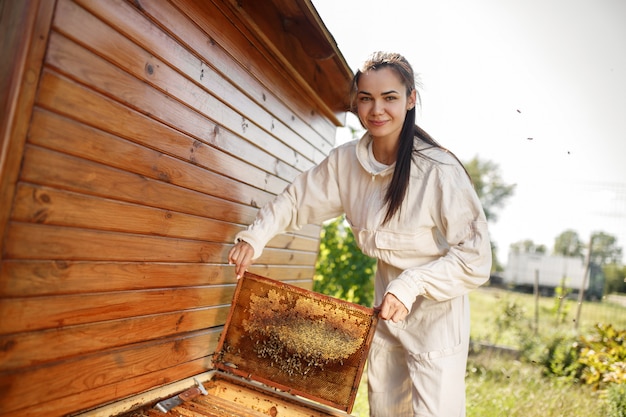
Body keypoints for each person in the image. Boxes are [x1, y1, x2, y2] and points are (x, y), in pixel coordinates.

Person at [228, 51, 492, 417]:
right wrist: (254, 237)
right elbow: (296, 200)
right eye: (366, 98)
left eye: (390, 98)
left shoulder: (438, 170)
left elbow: (476, 259)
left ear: (411, 99)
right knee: (384, 411)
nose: (376, 109)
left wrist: (412, 284)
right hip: (386, 309)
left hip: (436, 314)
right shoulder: (345, 162)